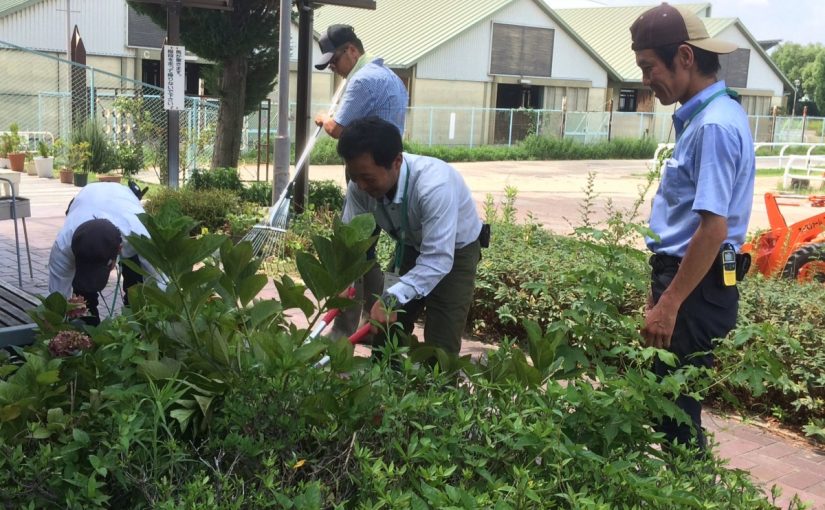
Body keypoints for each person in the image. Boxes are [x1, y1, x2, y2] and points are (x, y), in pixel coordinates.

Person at [630, 3, 755, 451]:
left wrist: (670, 303)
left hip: (696, 290)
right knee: (670, 409)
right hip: (693, 282)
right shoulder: (710, 117)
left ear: (685, 57)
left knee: (676, 417)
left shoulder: (714, 126)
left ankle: (689, 492)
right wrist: (662, 293)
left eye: (649, 67)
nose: (645, 80)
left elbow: (713, 228)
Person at [339, 117, 483, 355]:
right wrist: (343, 282)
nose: (361, 186)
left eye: (368, 178)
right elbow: (352, 241)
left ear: (396, 162)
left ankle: (438, 389)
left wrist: (391, 299)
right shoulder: (359, 186)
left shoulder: (434, 185)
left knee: (440, 347)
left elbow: (438, 260)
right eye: (354, 177)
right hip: (410, 246)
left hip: (454, 253)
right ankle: (384, 387)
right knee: (385, 333)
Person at [314, 24, 409, 340]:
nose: (334, 69)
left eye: (334, 61)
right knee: (367, 252)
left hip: (365, 172)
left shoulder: (362, 81)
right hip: (388, 172)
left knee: (350, 250)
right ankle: (374, 321)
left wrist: (323, 120)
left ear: (352, 51)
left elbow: (339, 129)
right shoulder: (392, 78)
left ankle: (342, 331)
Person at [48, 182, 162, 324]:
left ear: (119, 249)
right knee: (83, 291)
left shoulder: (140, 236)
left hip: (122, 200)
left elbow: (160, 284)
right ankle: (88, 328)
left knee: (136, 282)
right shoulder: (63, 246)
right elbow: (56, 301)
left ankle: (134, 322)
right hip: (87, 197)